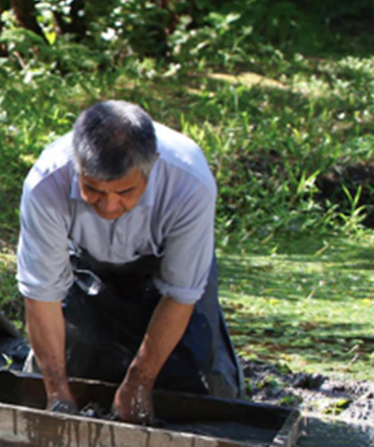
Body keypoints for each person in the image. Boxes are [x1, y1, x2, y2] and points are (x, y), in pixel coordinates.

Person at [16, 100, 242, 424]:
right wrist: (57, 395)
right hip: (87, 260)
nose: (108, 206)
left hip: (164, 265)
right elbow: (42, 294)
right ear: (76, 166)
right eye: (93, 190)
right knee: (78, 361)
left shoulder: (189, 183)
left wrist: (139, 382)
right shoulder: (45, 183)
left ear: (152, 167)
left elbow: (180, 292)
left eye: (124, 191)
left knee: (195, 379)